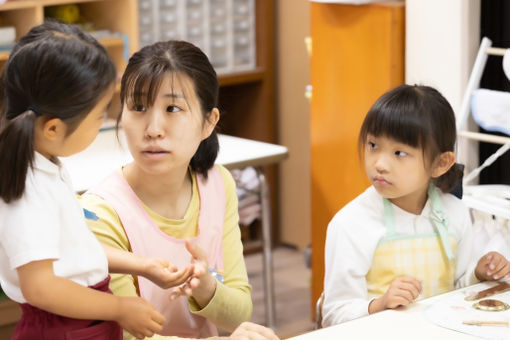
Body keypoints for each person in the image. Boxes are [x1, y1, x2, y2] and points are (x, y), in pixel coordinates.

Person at [0, 22, 196, 340]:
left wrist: (143, 265)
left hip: (80, 317)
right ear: (53, 129)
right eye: (99, 115)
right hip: (63, 325)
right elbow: (41, 288)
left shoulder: (45, 166)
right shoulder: (29, 191)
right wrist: (120, 308)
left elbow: (73, 254)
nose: (104, 121)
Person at [80, 40, 278, 340]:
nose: (153, 128)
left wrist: (207, 289)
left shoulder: (216, 183)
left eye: (172, 108)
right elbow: (126, 336)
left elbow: (239, 313)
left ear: (208, 122)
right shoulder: (102, 212)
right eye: (138, 107)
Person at [322, 84, 510, 327]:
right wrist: (380, 304)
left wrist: (479, 274)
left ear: (441, 163)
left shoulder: (454, 212)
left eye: (399, 152)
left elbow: (459, 289)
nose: (380, 163)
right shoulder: (350, 223)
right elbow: (333, 314)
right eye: (373, 145)